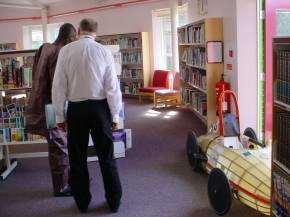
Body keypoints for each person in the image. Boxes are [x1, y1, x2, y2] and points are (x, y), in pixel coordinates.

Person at [52, 18, 122, 213]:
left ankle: (82, 203)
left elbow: (59, 86)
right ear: (96, 33)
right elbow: (112, 88)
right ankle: (114, 201)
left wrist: (59, 115)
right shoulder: (104, 52)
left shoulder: (65, 51)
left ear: (78, 30)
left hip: (76, 110)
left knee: (77, 158)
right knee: (107, 157)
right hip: (100, 110)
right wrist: (115, 115)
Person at [25, 23, 77, 197]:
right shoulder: (58, 53)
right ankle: (62, 187)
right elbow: (58, 85)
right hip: (52, 107)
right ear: (70, 37)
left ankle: (68, 181)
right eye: (74, 39)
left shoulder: (45, 48)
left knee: (58, 146)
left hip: (42, 105)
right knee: (60, 147)